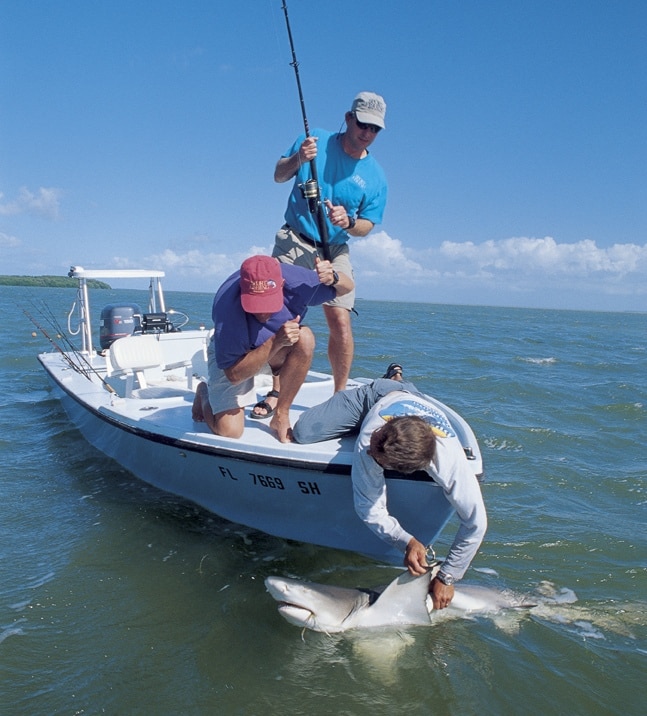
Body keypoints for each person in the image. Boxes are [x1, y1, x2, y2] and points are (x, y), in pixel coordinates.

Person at [292, 365, 487, 610]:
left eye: (376, 454)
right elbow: (370, 509)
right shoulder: (371, 441)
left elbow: (476, 523)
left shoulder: (451, 462)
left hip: (417, 404)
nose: (368, 448)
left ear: (402, 467)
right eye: (375, 442)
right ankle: (392, 381)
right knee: (302, 432)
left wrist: (448, 576)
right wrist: (406, 541)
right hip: (378, 398)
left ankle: (400, 382)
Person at [254, 91, 387, 418]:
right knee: (279, 319)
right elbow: (278, 175)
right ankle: (276, 389)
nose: (367, 133)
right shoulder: (313, 141)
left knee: (340, 319)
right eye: (363, 124)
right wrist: (299, 157)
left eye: (375, 129)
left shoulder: (376, 177)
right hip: (294, 240)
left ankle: (340, 398)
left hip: (336, 248)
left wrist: (350, 221)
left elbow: (368, 225)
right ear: (348, 118)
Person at [192, 254, 353, 443]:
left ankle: (281, 414)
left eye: (268, 304)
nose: (262, 313)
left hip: (277, 346)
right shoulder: (227, 309)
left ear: (282, 284)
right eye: (254, 305)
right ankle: (204, 393)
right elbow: (233, 375)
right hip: (239, 356)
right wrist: (275, 341)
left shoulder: (298, 282)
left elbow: (347, 287)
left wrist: (334, 277)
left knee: (305, 337)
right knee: (229, 431)